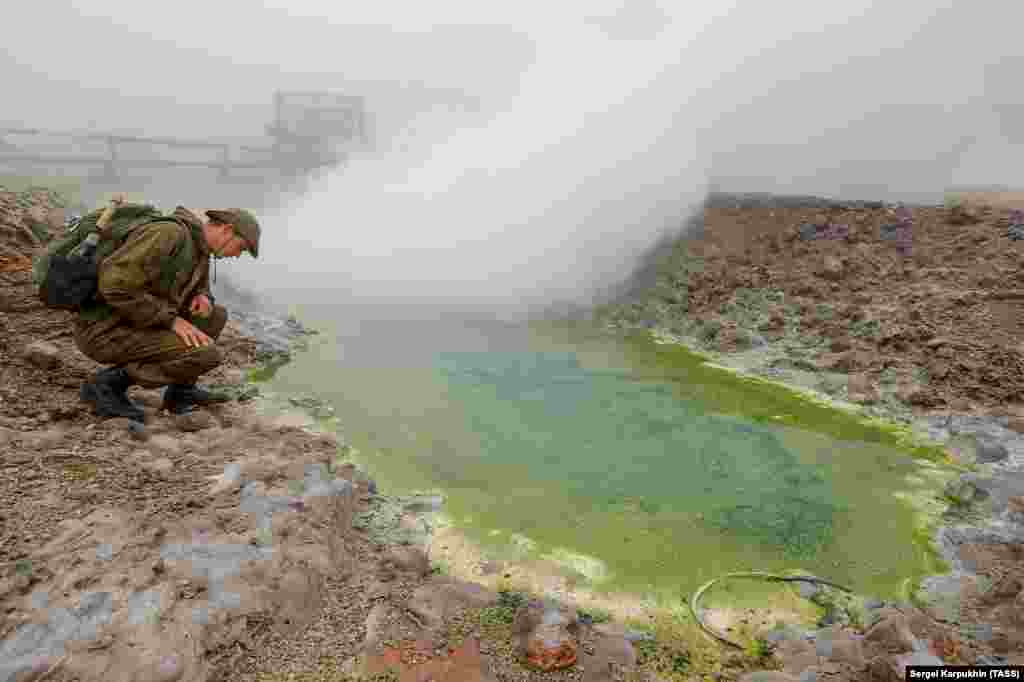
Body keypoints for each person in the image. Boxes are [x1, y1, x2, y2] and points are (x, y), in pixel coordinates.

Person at [74, 206, 261, 420]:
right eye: (241, 248)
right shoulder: (168, 235)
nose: (237, 255)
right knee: (207, 354)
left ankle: (180, 393)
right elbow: (115, 285)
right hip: (103, 329)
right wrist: (171, 321)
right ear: (227, 230)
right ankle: (106, 385)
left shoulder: (200, 248)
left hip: (134, 320)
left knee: (214, 317)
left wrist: (203, 297)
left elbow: (200, 287)